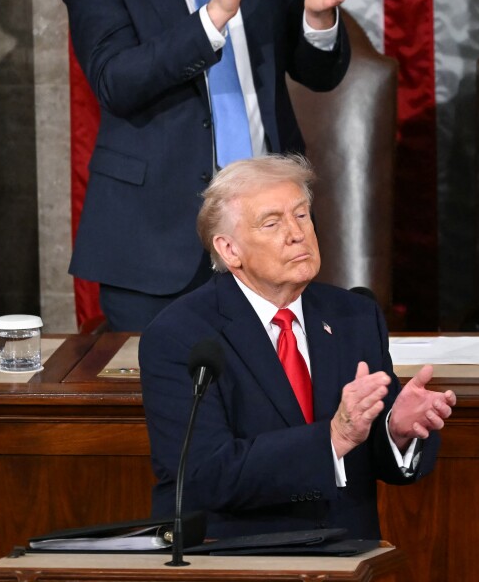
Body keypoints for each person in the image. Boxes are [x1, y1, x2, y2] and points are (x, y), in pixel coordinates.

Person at [61, 0, 361, 331]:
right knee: (171, 409)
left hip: (270, 226)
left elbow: (317, 73)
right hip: (158, 236)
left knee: (278, 399)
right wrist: (213, 19)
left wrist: (317, 16)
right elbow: (115, 80)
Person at [139, 154, 456, 540]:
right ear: (229, 249)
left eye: (302, 215)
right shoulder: (180, 334)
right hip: (238, 555)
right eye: (272, 223)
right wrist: (332, 439)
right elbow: (205, 475)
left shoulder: (354, 317)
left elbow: (370, 450)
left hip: (346, 552)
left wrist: (396, 429)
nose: (296, 233)